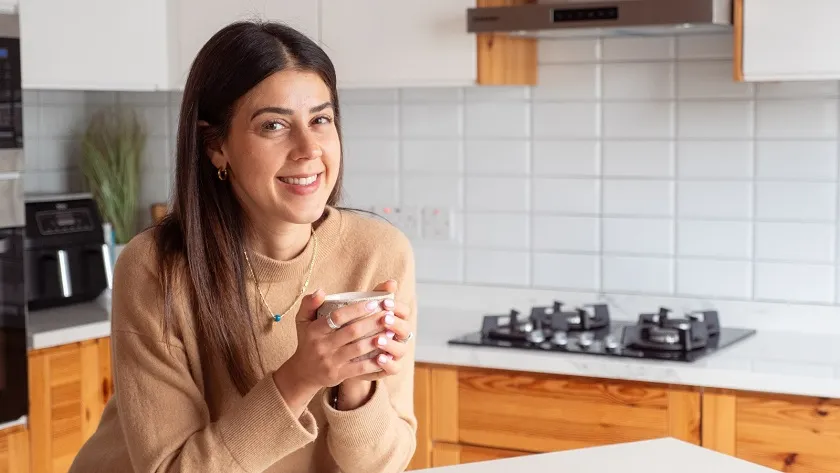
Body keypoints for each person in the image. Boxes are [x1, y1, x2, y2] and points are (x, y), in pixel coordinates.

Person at [69, 20, 417, 473]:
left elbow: (384, 465)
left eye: (321, 120)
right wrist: (300, 377)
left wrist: (354, 384)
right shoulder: (155, 267)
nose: (308, 148)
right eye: (273, 125)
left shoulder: (378, 253)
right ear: (216, 146)